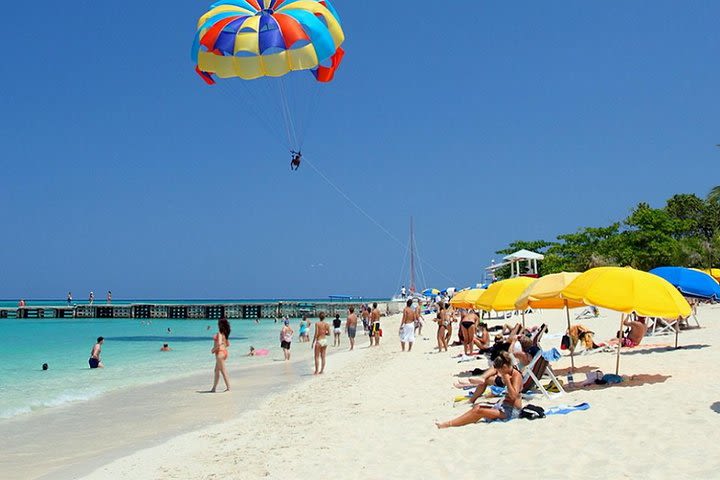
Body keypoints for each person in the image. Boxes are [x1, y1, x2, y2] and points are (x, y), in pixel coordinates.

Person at [436, 352, 522, 428]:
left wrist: (507, 381)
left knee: (479, 411)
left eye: (500, 371)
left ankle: (448, 424)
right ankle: (452, 422)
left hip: (511, 412)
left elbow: (514, 396)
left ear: (505, 367)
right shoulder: (507, 373)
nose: (499, 373)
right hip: (503, 406)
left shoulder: (516, 375)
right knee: (477, 408)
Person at [210, 318, 231, 392]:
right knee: (216, 370)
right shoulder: (224, 334)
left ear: (220, 325)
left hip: (220, 353)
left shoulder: (219, 333)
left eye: (218, 323)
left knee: (223, 371)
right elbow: (228, 344)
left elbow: (219, 343)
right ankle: (214, 388)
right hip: (224, 352)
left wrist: (213, 350)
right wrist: (222, 346)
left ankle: (228, 387)